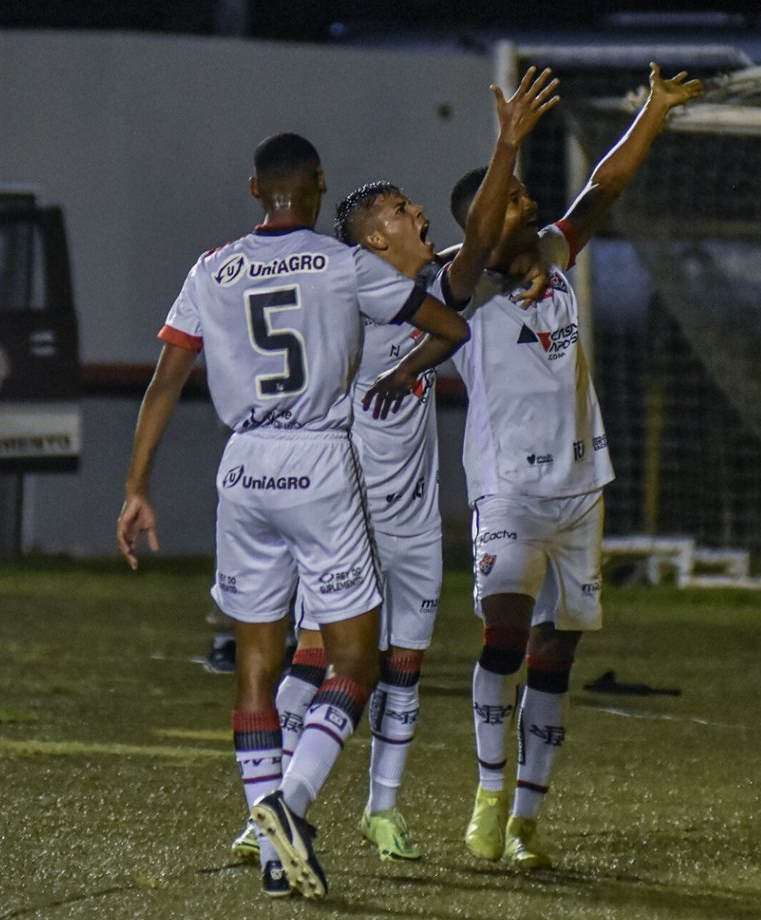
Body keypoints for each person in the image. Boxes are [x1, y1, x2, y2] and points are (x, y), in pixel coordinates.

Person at [116, 132, 468, 900]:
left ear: (254, 190)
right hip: (317, 460)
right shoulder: (346, 265)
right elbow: (451, 328)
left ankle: (269, 843)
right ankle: (290, 804)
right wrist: (395, 364)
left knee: (255, 660)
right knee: (354, 659)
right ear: (316, 186)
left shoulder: (212, 268)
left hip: (241, 467)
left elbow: (167, 380)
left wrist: (137, 487)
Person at [370, 62, 702, 871]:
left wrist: (653, 112)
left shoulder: (552, 253)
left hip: (581, 489)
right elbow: (485, 230)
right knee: (505, 638)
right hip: (508, 490)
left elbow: (603, 188)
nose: (528, 204)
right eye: (513, 199)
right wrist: (506, 145)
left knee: (558, 656)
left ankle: (525, 819)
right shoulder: (458, 284)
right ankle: (487, 794)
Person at [253, 66, 560, 867]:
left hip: (415, 522)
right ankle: (271, 807)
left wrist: (513, 210)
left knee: (405, 667)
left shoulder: (419, 287)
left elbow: (479, 252)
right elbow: (474, 258)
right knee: (319, 660)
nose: (417, 212)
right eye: (398, 211)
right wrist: (505, 146)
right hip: (347, 522)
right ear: (373, 239)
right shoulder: (359, 296)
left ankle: (379, 809)